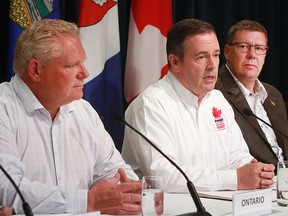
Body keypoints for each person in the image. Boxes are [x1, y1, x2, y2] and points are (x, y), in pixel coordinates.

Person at [0, 19, 142, 215]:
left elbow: (115, 171)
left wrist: (126, 193)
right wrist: (89, 201)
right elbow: (7, 191)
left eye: (82, 62)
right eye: (72, 65)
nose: (85, 73)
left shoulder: (83, 111)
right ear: (36, 70)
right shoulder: (4, 110)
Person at [121, 18, 275, 193]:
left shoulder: (217, 100)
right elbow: (162, 177)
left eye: (216, 55)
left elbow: (236, 155)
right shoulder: (151, 105)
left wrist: (255, 171)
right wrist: (236, 179)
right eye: (201, 57)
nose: (212, 65)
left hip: (222, 205)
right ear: (175, 62)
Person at [215, 20, 288, 169]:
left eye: (259, 48)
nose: (252, 55)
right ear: (227, 52)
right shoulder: (215, 93)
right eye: (243, 47)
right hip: (252, 183)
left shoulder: (273, 94)